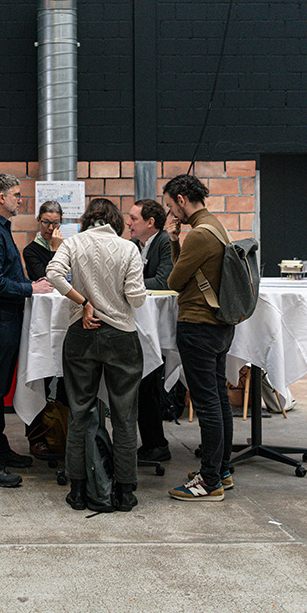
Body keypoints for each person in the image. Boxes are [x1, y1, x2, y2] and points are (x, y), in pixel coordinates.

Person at [46, 198, 147, 512]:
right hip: (121, 336)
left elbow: (53, 274)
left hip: (82, 333)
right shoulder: (128, 248)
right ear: (115, 221)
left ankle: (78, 491)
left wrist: (85, 301)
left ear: (87, 219)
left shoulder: (73, 243)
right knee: (125, 415)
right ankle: (125, 491)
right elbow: (136, 298)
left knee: (79, 411)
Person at [0, 173, 52, 488]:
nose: (20, 199)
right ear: (1, 197)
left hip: (3, 316)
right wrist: (31, 288)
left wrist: (29, 285)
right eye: (16, 194)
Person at [163, 174, 235, 502]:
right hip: (219, 325)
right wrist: (175, 239)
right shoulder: (216, 226)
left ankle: (209, 482)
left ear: (181, 199)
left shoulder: (199, 235)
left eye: (170, 206)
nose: (171, 213)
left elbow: (174, 281)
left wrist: (174, 242)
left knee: (207, 404)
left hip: (197, 325)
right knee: (218, 399)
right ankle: (221, 470)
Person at [127, 198, 175, 463]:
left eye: (134, 218)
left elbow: (163, 281)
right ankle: (152, 442)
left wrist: (128, 283)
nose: (128, 223)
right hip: (142, 321)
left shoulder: (165, 242)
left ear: (150, 222)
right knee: (143, 383)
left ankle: (156, 444)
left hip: (161, 324)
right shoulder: (134, 245)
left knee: (149, 383)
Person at [23, 200, 64, 280]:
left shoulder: (65, 246)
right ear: (38, 219)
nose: (51, 228)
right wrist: (55, 250)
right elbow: (48, 278)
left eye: (55, 223)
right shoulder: (30, 251)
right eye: (46, 222)